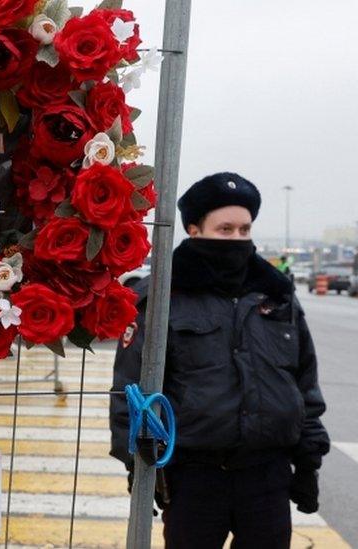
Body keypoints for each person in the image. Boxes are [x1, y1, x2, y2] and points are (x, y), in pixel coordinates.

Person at [109, 172, 329, 548]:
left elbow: (303, 382)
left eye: (244, 230)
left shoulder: (276, 296)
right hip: (194, 480)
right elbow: (130, 389)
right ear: (194, 230)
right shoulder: (161, 296)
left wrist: (308, 460)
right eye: (225, 229)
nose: (237, 239)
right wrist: (137, 464)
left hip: (267, 478)